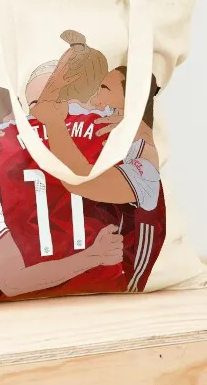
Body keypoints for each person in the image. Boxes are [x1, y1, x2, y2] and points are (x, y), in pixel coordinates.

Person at [0, 52, 124, 305]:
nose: (33, 124)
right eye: (33, 107)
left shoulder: (108, 139)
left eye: (62, 101)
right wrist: (94, 256)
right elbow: (14, 281)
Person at [31, 64, 166, 292]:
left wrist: (54, 123)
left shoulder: (146, 164)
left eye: (104, 89)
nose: (95, 99)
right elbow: (45, 109)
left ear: (132, 101)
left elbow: (78, 180)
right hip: (89, 279)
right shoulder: (104, 131)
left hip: (128, 288)